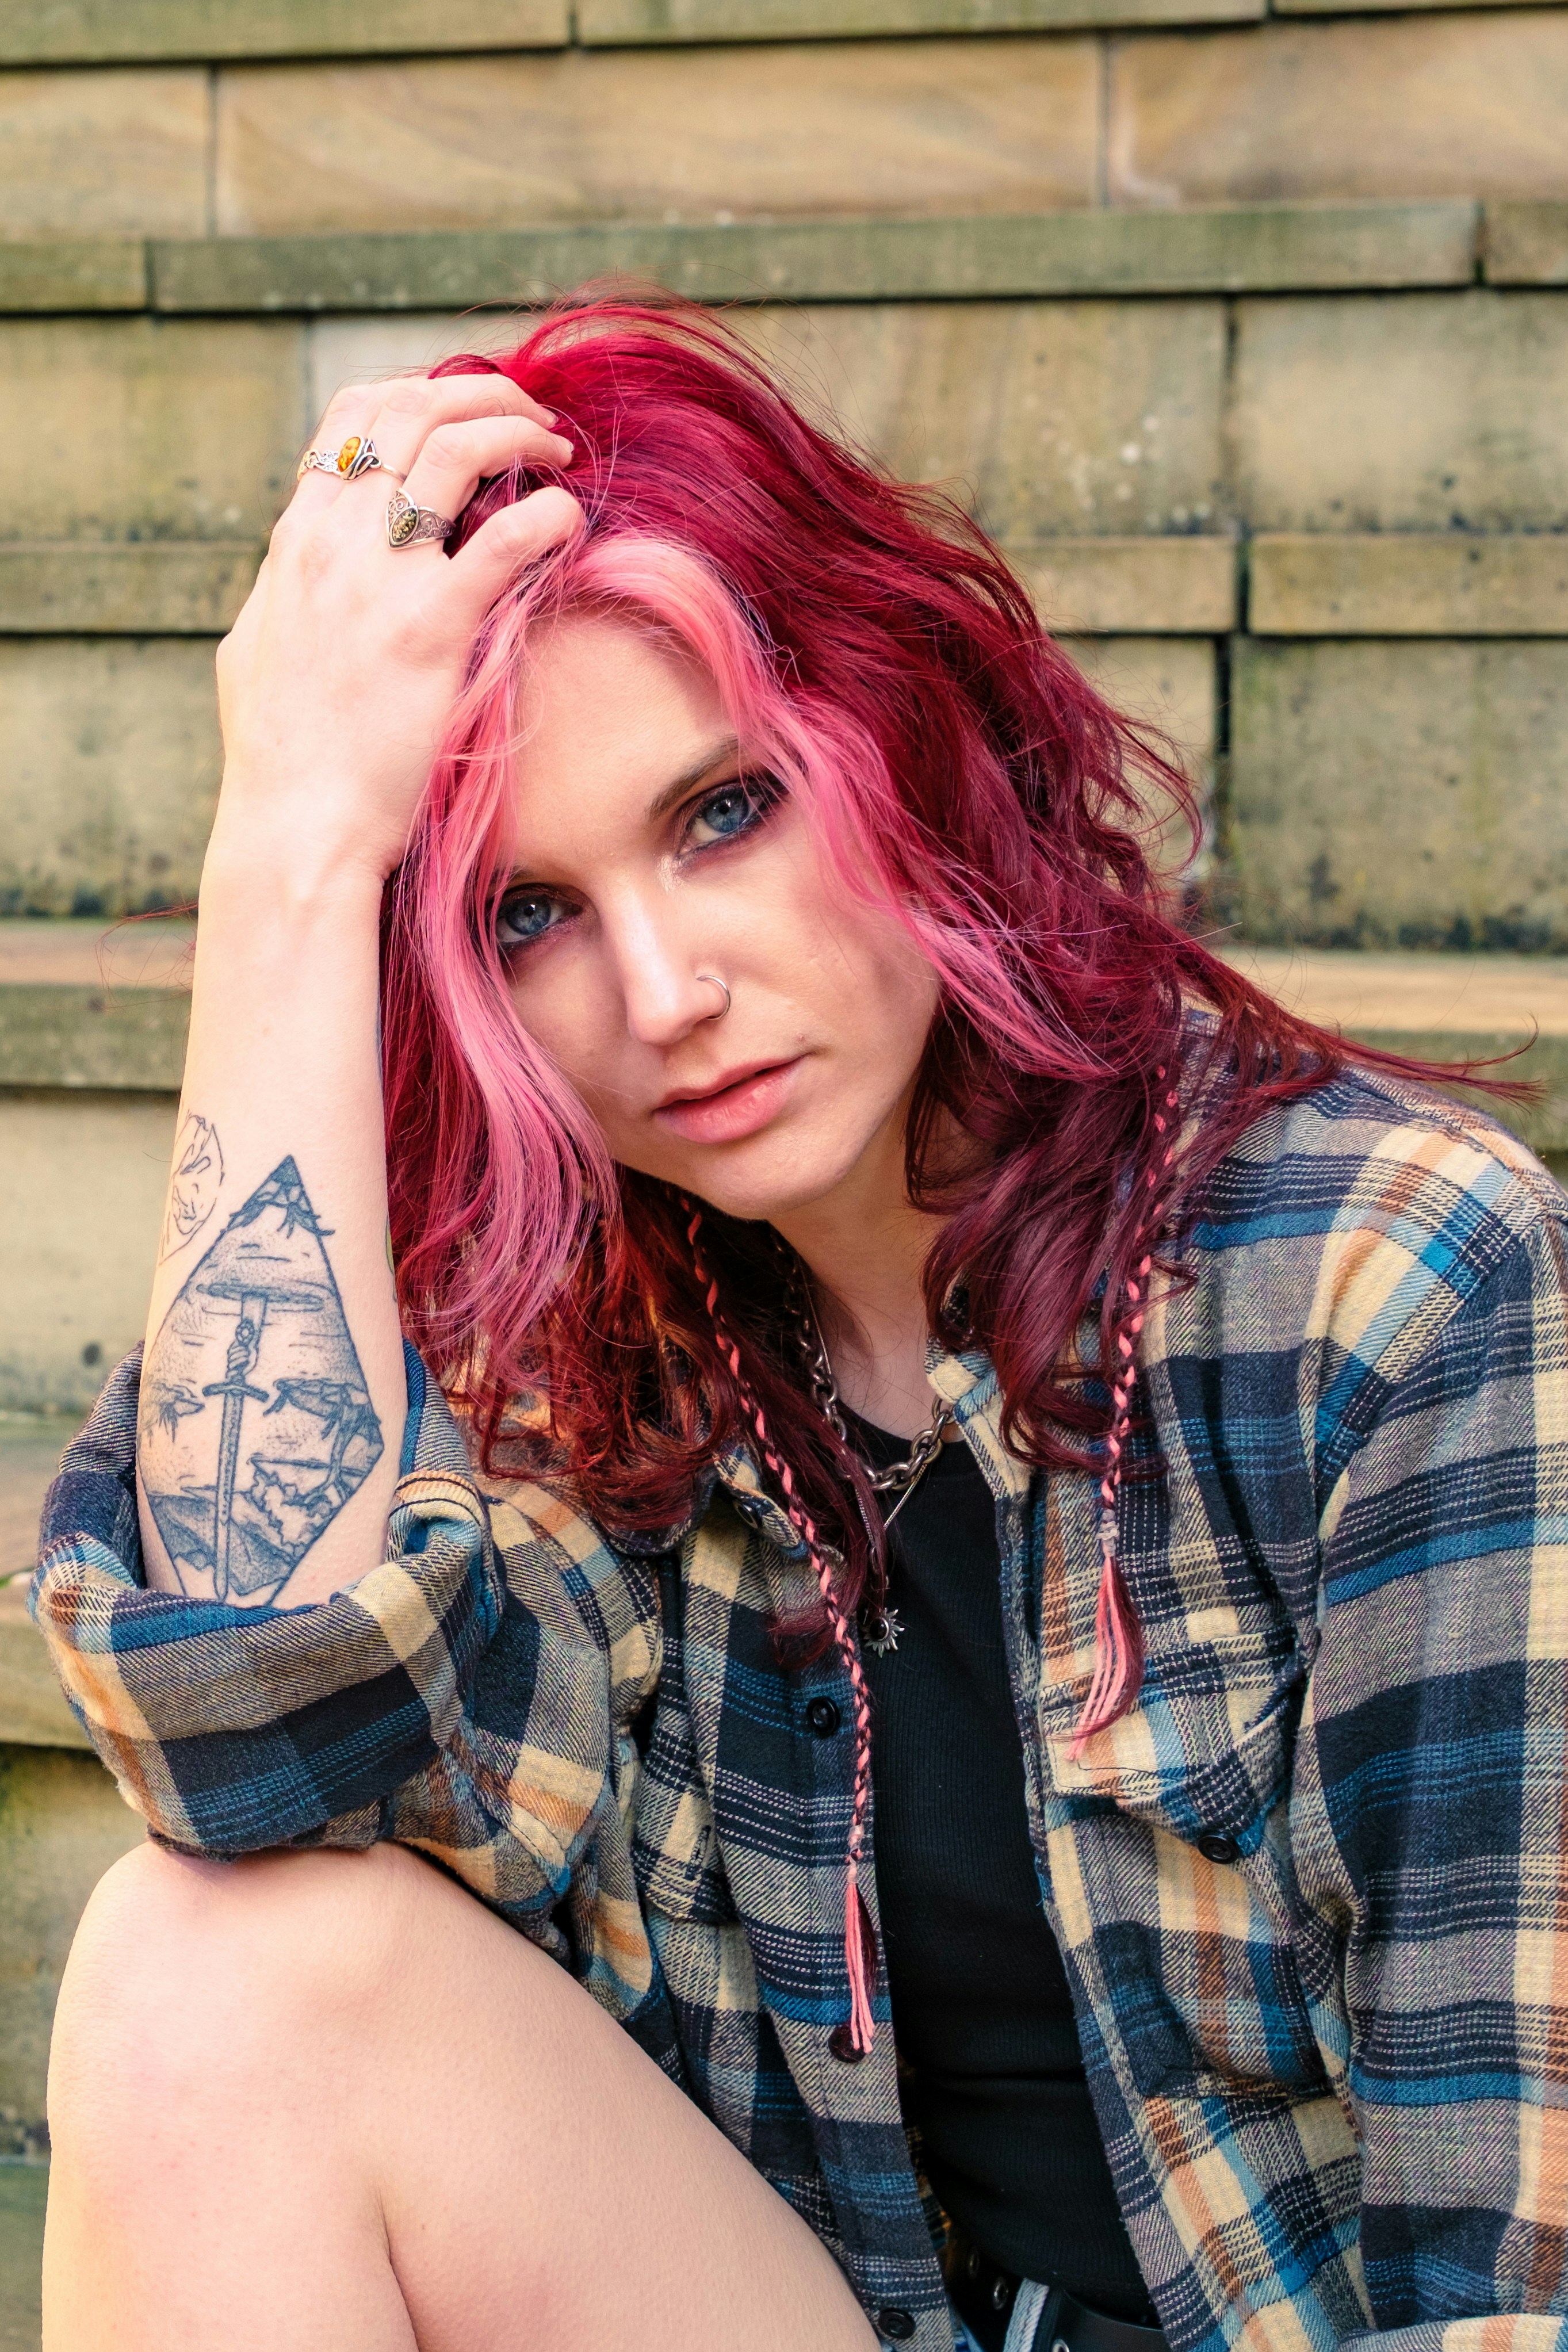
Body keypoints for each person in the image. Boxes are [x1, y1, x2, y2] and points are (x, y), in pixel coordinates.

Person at [30, 293, 1568, 2352]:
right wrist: (290, 851)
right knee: (196, 1986)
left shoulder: (1389, 1290)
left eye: (724, 811)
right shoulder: (599, 1351)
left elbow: (1515, 2281)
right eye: (530, 915)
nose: (665, 995)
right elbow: (259, 1752)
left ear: (900, 738)